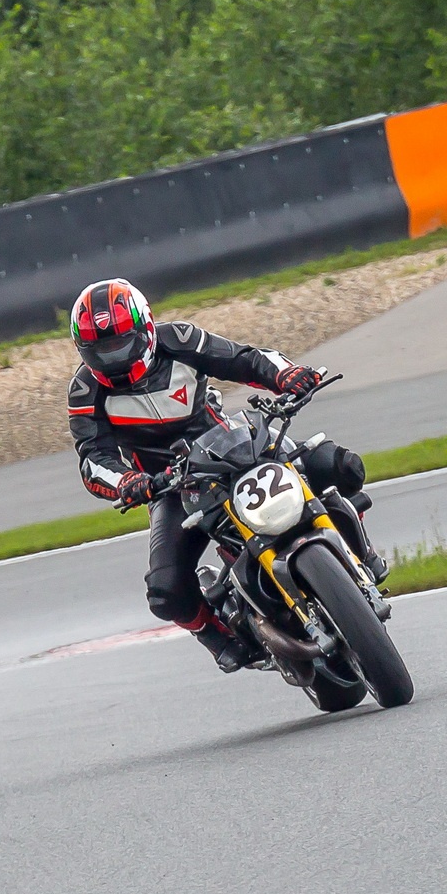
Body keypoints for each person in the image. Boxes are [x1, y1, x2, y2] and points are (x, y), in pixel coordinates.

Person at [66, 277, 382, 673]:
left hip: (234, 445)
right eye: (101, 351)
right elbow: (93, 460)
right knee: (165, 589)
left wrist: (286, 375)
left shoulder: (179, 339)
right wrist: (128, 482)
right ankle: (215, 636)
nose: (114, 359)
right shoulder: (85, 392)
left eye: (121, 345)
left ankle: (361, 550)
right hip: (171, 486)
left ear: (145, 330)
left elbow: (244, 359)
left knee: (340, 465)